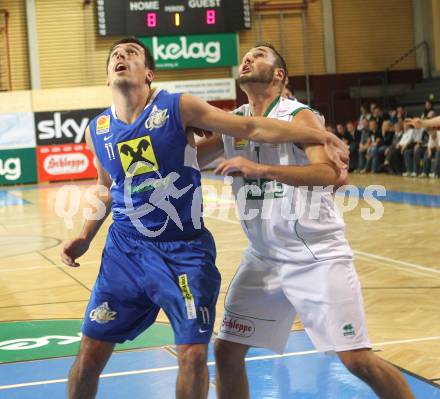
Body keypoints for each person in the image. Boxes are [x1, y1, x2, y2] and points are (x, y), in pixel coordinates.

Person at [60, 37, 347, 399]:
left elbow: (249, 128)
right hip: (125, 252)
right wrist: (85, 236)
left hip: (183, 252)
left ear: (148, 73)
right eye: (115, 55)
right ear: (106, 77)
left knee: (194, 356)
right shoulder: (97, 129)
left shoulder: (178, 106)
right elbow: (105, 186)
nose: (121, 56)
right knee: (88, 357)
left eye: (131, 53)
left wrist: (318, 133)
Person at [196, 43, 415, 399]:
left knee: (357, 360)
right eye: (246, 55)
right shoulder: (233, 122)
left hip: (316, 255)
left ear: (279, 74)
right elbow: (188, 156)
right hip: (264, 258)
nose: (247, 58)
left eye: (259, 54)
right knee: (226, 351)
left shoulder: (301, 116)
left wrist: (262, 168)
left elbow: (328, 172)